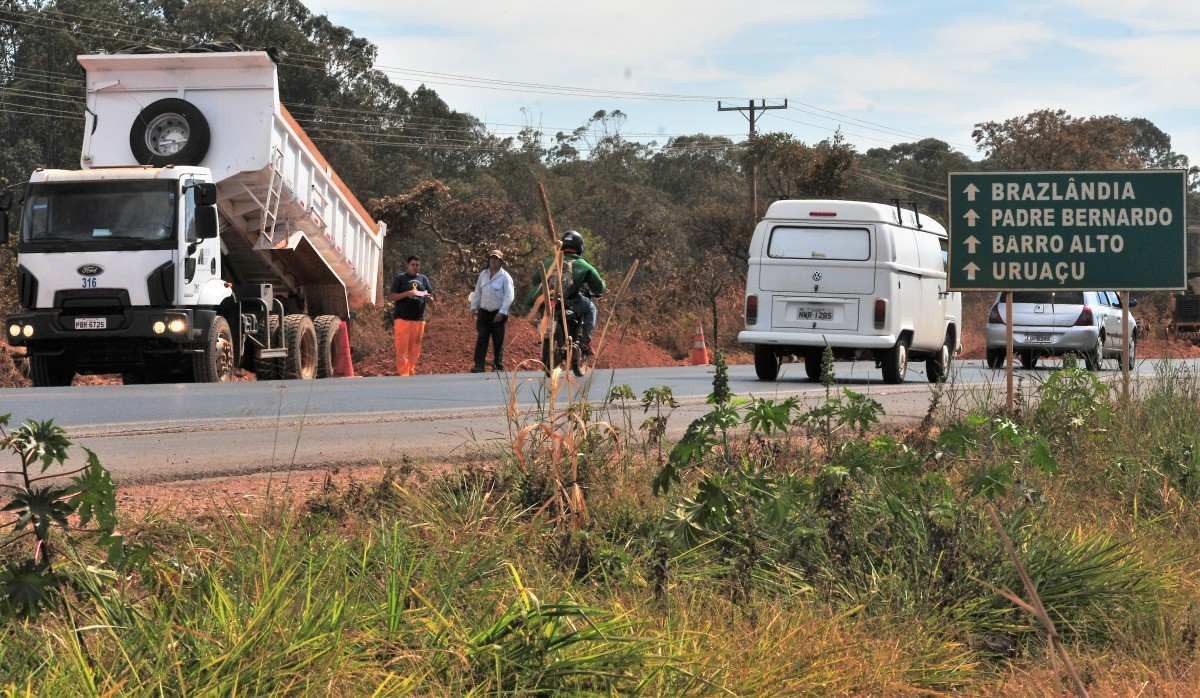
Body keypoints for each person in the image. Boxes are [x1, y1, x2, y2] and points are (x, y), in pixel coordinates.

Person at [527, 230, 606, 353]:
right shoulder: (583, 265)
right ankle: (584, 342)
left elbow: (535, 279)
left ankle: (540, 323)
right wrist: (598, 290)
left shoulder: (549, 261)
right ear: (579, 247)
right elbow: (598, 286)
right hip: (569, 301)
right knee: (591, 308)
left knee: (543, 312)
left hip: (547, 300)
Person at [388, 256, 434, 376]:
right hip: (402, 319)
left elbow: (430, 295)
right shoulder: (400, 278)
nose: (415, 267)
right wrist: (407, 293)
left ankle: (411, 370)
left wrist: (430, 299)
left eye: (417, 265)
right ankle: (403, 373)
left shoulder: (423, 279)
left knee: (415, 348)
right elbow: (392, 296)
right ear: (407, 265)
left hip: (418, 319)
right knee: (402, 347)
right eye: (413, 265)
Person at [470, 249, 515, 373]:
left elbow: (509, 296)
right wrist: (474, 307)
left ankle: (498, 365)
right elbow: (478, 291)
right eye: (492, 259)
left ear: (501, 262)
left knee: (498, 340)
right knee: (482, 338)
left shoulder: (505, 277)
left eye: (496, 259)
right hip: (484, 312)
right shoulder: (483, 274)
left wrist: (502, 312)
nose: (493, 261)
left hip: (498, 313)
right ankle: (479, 365)